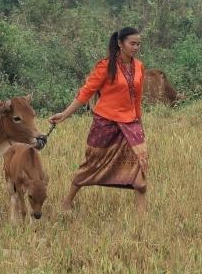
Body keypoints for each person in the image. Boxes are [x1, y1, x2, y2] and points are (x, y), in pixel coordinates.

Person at [49, 27, 148, 213]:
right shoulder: (105, 66)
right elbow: (86, 93)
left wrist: (140, 126)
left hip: (131, 124)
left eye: (138, 44)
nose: (136, 47)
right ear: (120, 44)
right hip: (106, 123)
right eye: (132, 43)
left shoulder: (139, 67)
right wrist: (64, 114)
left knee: (140, 162)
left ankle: (142, 213)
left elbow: (137, 99)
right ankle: (67, 202)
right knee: (93, 164)